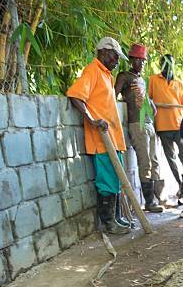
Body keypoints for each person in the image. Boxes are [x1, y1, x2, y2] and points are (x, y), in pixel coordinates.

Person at [66, 37, 131, 235]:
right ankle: (109, 223)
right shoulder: (93, 70)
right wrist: (92, 120)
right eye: (114, 55)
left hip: (113, 138)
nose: (117, 61)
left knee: (116, 179)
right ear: (103, 51)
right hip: (101, 140)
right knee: (108, 181)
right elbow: (76, 95)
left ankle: (117, 218)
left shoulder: (107, 75)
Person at [115, 44, 163, 213]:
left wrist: (149, 103)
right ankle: (149, 202)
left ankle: (156, 197)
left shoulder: (142, 79)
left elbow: (151, 106)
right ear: (131, 60)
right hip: (137, 124)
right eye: (138, 60)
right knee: (146, 163)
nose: (141, 63)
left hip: (148, 123)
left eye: (143, 61)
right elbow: (113, 95)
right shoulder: (124, 76)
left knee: (154, 162)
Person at [149, 55, 183, 191]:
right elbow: (147, 101)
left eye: (169, 64)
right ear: (161, 65)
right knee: (170, 158)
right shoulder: (153, 80)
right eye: (164, 64)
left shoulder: (180, 84)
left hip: (179, 126)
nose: (167, 67)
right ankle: (180, 184)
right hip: (163, 127)